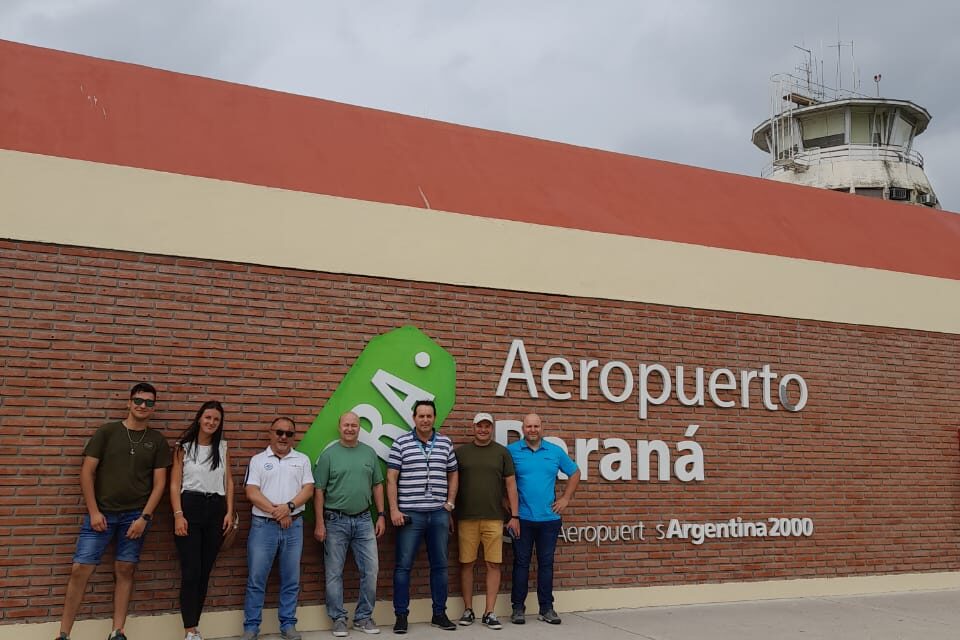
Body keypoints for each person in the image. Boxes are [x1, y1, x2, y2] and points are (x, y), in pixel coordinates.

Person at [54, 382, 172, 640]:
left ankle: (117, 631)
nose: (143, 406)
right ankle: (63, 634)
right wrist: (94, 511)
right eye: (138, 401)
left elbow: (160, 484)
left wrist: (144, 517)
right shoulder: (107, 432)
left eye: (149, 402)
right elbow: (86, 472)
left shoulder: (157, 441)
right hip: (102, 514)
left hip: (135, 517)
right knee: (80, 569)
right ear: (129, 403)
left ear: (154, 407)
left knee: (125, 569)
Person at [386, 399, 459, 634]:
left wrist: (449, 504)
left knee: (440, 566)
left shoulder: (445, 443)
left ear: (434, 418)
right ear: (413, 417)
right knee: (403, 567)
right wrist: (394, 510)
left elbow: (453, 474)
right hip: (410, 515)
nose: (425, 420)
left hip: (438, 513)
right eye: (421, 416)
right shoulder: (401, 443)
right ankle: (401, 616)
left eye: (429, 416)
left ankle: (439, 614)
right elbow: (391, 478)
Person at [314, 411, 387, 637]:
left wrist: (381, 515)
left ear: (359, 428)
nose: (350, 429)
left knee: (371, 570)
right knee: (334, 572)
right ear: (339, 427)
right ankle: (338, 619)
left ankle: (363, 617)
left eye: (354, 425)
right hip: (335, 521)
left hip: (365, 520)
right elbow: (319, 491)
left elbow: (377, 485)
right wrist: (319, 523)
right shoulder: (329, 455)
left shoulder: (369, 453)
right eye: (346, 425)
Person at [241, 417, 314, 640]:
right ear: (270, 433)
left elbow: (308, 489)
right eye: (279, 432)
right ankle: (251, 628)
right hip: (264, 527)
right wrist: (279, 513)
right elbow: (251, 492)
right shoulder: (257, 460)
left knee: (291, 578)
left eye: (289, 433)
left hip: (293, 527)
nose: (283, 437)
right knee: (256, 578)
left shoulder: (302, 460)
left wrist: (289, 508)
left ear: (294, 436)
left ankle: (288, 624)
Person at [170, 400, 235, 640]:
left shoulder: (223, 448)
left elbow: (228, 481)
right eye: (208, 418)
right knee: (191, 571)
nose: (211, 422)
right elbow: (175, 483)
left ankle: (195, 626)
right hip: (190, 506)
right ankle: (189, 629)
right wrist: (178, 514)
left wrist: (229, 511)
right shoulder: (183, 447)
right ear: (199, 418)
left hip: (216, 508)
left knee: (205, 570)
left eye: (216, 420)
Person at [507, 413, 580, 626]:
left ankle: (546, 608)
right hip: (522, 518)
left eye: (536, 426)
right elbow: (501, 479)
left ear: (542, 428)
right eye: (528, 426)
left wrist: (566, 498)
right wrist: (507, 504)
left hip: (549, 520)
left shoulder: (555, 452)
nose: (532, 430)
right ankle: (518, 608)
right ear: (523, 428)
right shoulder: (511, 451)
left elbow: (575, 473)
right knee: (521, 564)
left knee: (546, 564)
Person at [454, 412, 519, 631]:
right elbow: (452, 483)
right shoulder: (461, 453)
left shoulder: (502, 453)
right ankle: (468, 609)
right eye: (479, 426)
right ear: (473, 427)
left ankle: (489, 612)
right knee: (467, 564)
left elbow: (510, 485)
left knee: (493, 564)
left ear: (491, 428)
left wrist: (515, 516)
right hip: (466, 517)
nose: (483, 430)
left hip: (494, 518)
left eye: (487, 426)